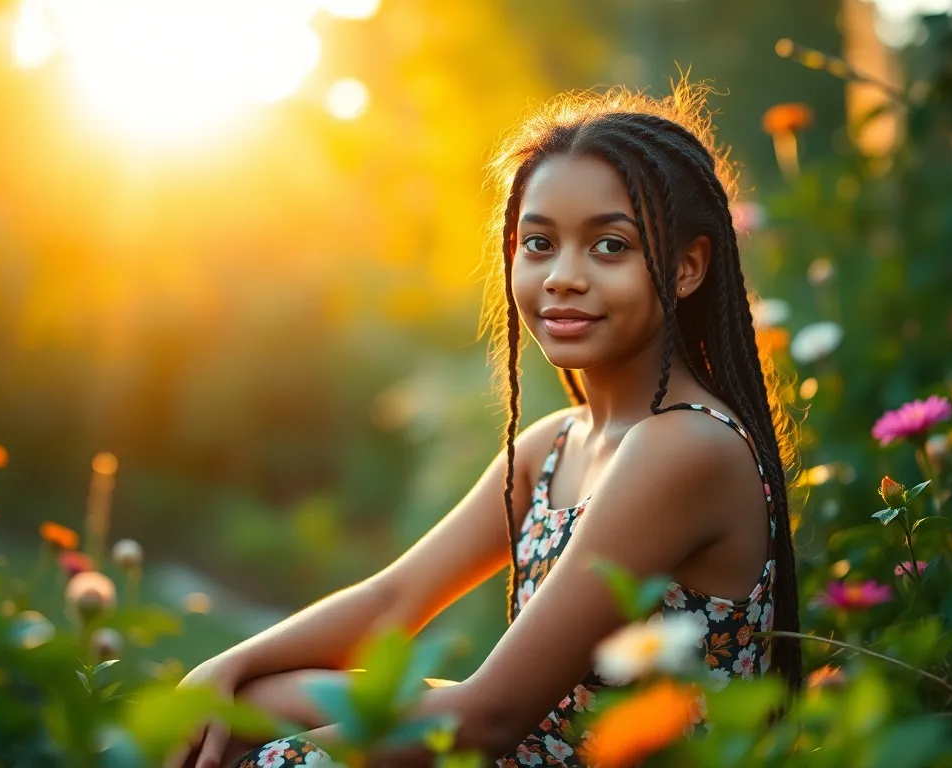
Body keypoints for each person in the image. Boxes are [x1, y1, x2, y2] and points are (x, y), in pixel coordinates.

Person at [168, 83, 802, 768]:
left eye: (609, 246)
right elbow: (393, 600)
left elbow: (492, 716)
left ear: (686, 267)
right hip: (535, 748)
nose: (563, 276)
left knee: (275, 755)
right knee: (239, 709)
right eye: (539, 243)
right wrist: (225, 672)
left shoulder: (684, 446)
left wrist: (289, 752)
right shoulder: (553, 448)